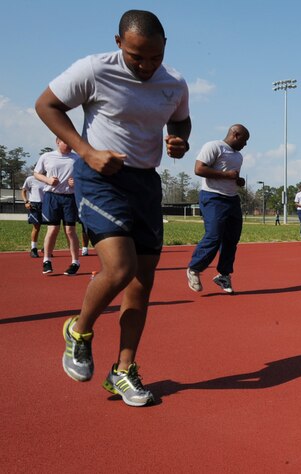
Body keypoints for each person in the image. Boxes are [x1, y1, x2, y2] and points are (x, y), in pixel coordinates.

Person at [35, 9, 191, 406]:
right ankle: (79, 330)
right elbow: (47, 105)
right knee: (120, 269)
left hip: (146, 184)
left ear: (165, 48)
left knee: (141, 284)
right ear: (119, 42)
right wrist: (86, 151)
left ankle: (122, 371)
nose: (146, 65)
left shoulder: (174, 82)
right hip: (100, 177)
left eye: (154, 57)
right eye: (137, 56)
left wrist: (178, 141)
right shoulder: (93, 69)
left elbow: (180, 121)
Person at [185, 125, 250, 294]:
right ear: (235, 135)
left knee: (231, 239)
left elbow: (231, 177)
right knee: (214, 236)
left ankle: (223, 274)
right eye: (244, 140)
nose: (245, 144)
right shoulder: (213, 146)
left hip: (232, 199)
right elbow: (199, 169)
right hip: (213, 197)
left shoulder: (239, 156)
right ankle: (194, 268)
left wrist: (238, 181)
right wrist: (227, 175)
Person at [34, 137, 81, 275]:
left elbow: (85, 176)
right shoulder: (47, 156)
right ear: (58, 141)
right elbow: (36, 173)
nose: (69, 145)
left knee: (70, 231)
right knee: (53, 229)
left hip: (69, 198)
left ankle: (75, 262)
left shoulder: (77, 158)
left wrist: (76, 182)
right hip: (52, 197)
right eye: (66, 141)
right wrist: (47, 180)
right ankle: (47, 260)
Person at [21, 175, 45, 258]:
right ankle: (33, 249)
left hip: (47, 204)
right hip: (35, 205)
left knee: (51, 227)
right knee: (36, 227)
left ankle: (46, 248)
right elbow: (23, 191)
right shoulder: (30, 179)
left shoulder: (49, 178)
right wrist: (26, 201)